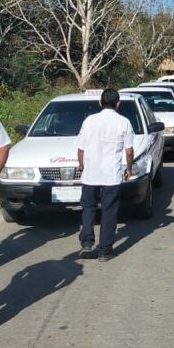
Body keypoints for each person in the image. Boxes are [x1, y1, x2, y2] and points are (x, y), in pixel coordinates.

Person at [76, 88, 134, 262]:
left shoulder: (89, 121)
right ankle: (104, 250)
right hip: (111, 175)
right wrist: (129, 168)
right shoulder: (124, 122)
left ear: (100, 103)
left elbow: (81, 148)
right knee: (109, 212)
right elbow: (129, 151)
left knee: (88, 208)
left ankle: (87, 243)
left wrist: (81, 165)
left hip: (90, 174)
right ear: (118, 104)